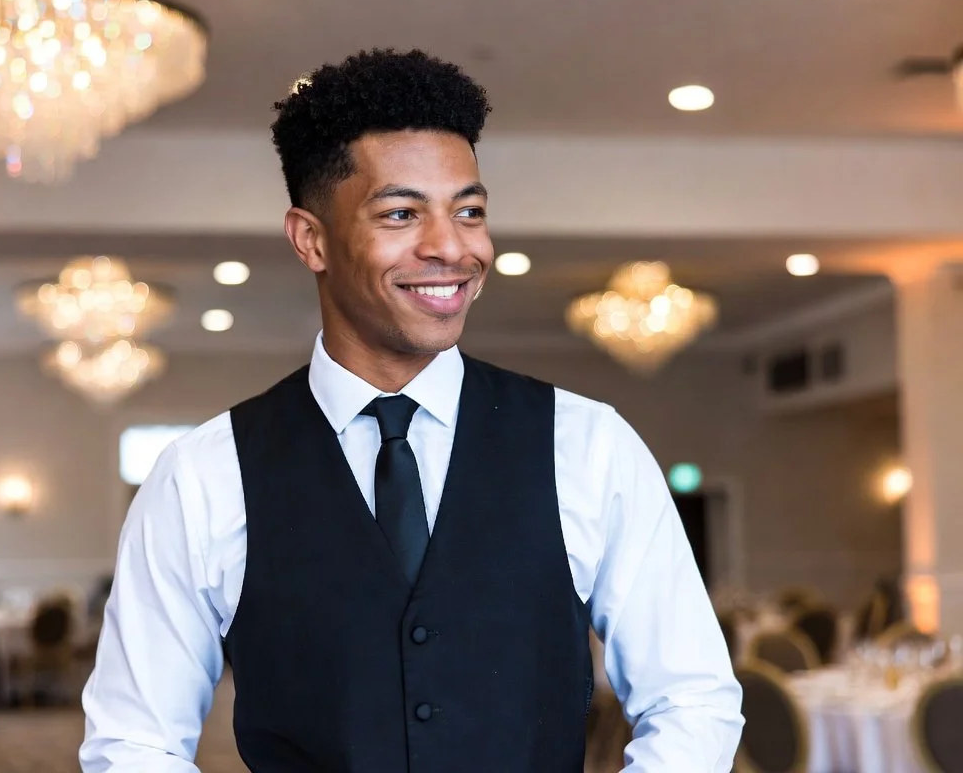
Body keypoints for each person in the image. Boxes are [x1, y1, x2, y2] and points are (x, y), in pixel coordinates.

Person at [80, 48, 743, 772]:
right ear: (312, 239)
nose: (451, 248)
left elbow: (693, 700)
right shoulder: (203, 476)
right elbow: (134, 742)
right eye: (401, 213)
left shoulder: (587, 444)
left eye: (470, 212)